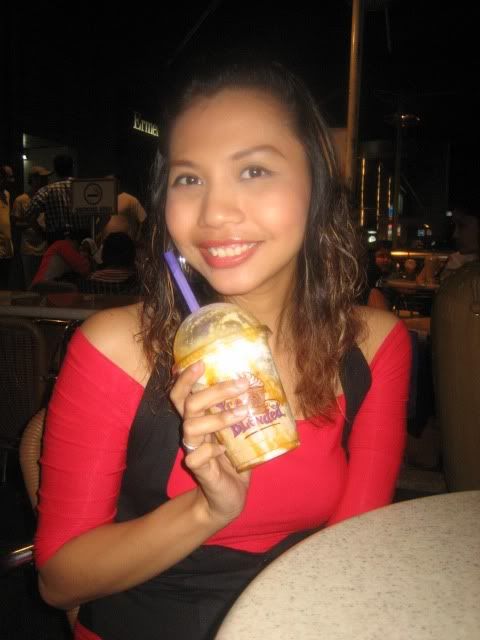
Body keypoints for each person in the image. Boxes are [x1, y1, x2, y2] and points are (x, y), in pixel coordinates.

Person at [35, 59, 412, 640]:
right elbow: (61, 581)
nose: (213, 214)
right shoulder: (114, 348)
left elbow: (354, 545)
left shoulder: (374, 345)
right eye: (189, 179)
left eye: (254, 170)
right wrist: (206, 510)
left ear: (315, 184)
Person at [24, 154, 89, 244]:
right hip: (80, 240)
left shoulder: (46, 191)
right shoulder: (84, 189)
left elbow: (29, 216)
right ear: (72, 168)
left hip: (56, 240)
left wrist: (41, 233)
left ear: (55, 170)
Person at [417, 204, 479, 284]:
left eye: (462, 225)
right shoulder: (458, 261)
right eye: (454, 226)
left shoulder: (461, 264)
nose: (455, 235)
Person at [11, 165, 52, 288]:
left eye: (46, 178)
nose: (45, 181)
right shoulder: (21, 200)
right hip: (30, 248)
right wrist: (33, 225)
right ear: (33, 179)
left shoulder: (48, 198)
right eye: (42, 178)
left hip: (46, 247)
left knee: (45, 283)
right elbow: (15, 224)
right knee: (31, 284)